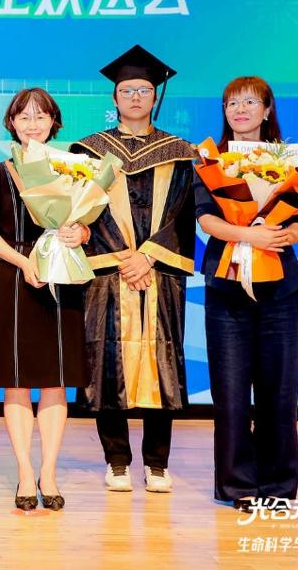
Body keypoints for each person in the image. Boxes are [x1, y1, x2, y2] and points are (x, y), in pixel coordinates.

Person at [72, 46, 196, 494]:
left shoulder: (179, 152)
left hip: (160, 272)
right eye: (127, 91)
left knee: (161, 362)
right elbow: (84, 210)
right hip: (109, 272)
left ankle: (157, 463)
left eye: (143, 90)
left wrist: (149, 255)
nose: (136, 97)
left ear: (155, 96)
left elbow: (185, 213)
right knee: (107, 363)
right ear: (115, 97)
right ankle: (117, 461)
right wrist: (125, 256)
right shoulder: (89, 151)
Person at [196, 77, 298, 510]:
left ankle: (278, 486)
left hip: (280, 290)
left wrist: (279, 235)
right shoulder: (211, 160)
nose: (239, 110)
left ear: (267, 109)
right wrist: (249, 234)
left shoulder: (290, 162)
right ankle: (238, 485)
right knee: (230, 392)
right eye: (232, 103)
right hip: (227, 288)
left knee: (279, 391)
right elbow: (206, 219)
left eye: (249, 102)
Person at [0, 88, 88, 511]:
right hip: (14, 276)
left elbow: (86, 223)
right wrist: (24, 262)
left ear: (54, 122)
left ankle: (49, 472)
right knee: (18, 380)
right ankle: (25, 472)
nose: (33, 124)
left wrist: (80, 233)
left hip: (62, 274)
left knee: (56, 380)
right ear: (11, 123)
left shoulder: (71, 166)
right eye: (24, 116)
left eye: (41, 116)